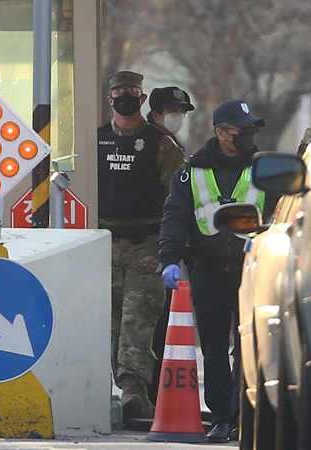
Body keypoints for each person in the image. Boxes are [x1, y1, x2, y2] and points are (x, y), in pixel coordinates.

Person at [159, 100, 275, 443]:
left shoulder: (264, 168)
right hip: (207, 271)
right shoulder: (190, 172)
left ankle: (245, 416)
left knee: (249, 345)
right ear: (221, 133)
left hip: (252, 270)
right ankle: (221, 418)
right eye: (242, 130)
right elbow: (175, 218)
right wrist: (170, 259)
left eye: (252, 129)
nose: (249, 136)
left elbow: (283, 212)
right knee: (213, 347)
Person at [98, 70, 185, 422]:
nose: (125, 97)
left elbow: (178, 198)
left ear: (142, 98)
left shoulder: (161, 144)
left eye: (132, 91)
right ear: (110, 99)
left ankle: (134, 391)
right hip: (104, 243)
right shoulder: (97, 141)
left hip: (147, 244)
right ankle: (119, 389)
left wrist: (173, 249)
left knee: (138, 319)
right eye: (119, 92)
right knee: (111, 323)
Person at [144, 86, 195, 407]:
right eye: (173, 111)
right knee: (151, 320)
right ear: (157, 112)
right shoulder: (153, 142)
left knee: (158, 319)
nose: (179, 117)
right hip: (151, 240)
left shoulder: (172, 144)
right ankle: (151, 392)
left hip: (166, 239)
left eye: (183, 112)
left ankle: (154, 392)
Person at [146, 86, 194, 155]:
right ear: (155, 115)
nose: (180, 115)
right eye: (173, 111)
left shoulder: (178, 144)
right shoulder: (147, 142)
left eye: (183, 112)